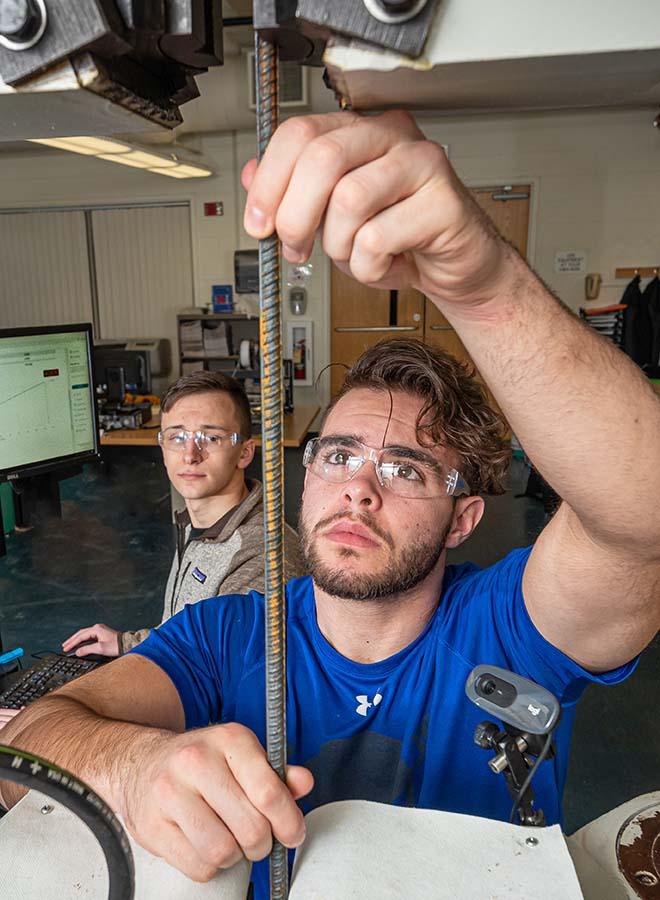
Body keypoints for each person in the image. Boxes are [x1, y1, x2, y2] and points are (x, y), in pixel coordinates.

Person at [1, 110, 659, 900]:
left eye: (407, 470)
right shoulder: (229, 635)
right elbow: (29, 746)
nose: (358, 486)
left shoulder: (509, 630)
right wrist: (134, 765)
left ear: (464, 519)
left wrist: (483, 286)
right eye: (339, 455)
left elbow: (642, 518)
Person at [61, 370, 304, 657]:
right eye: (177, 437)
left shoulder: (261, 557)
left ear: (245, 453)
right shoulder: (198, 524)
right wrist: (128, 643)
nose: (190, 454)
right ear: (162, 447)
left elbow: (217, 671)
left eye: (211, 438)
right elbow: (197, 633)